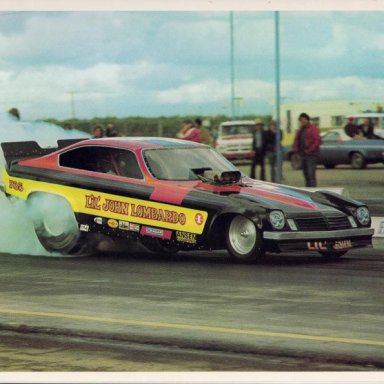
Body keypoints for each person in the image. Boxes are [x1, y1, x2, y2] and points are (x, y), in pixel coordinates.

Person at [292, 112, 321, 187]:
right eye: (301, 120)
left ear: (308, 120)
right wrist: (295, 151)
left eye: (304, 119)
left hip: (311, 155)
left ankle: (313, 192)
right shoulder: (300, 130)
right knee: (306, 175)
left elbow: (317, 140)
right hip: (302, 155)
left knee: (311, 174)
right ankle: (307, 191)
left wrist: (310, 150)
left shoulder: (313, 129)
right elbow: (296, 141)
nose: (303, 121)